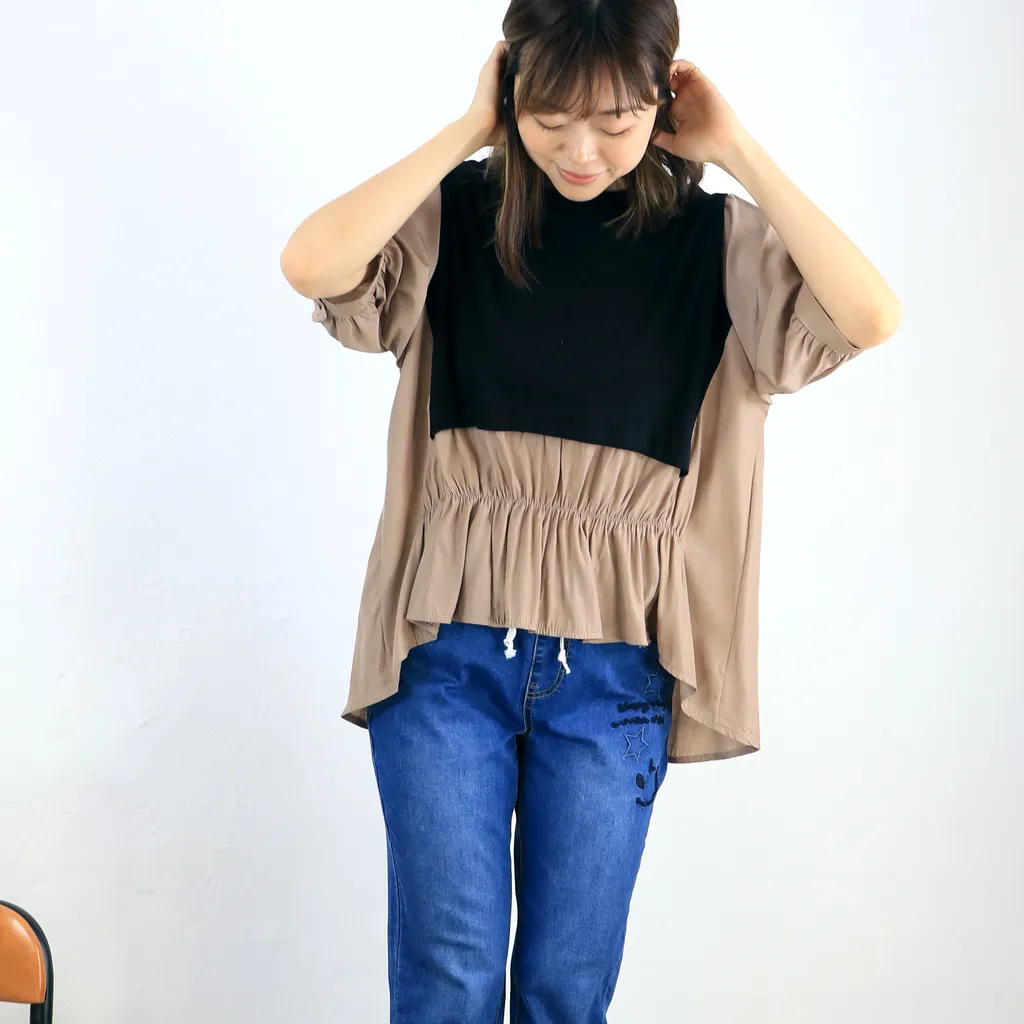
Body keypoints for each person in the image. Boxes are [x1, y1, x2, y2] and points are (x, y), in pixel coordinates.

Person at [280, 1, 902, 1020]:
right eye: (550, 117)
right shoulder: (459, 217)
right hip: (445, 654)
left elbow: (870, 315)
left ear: (662, 101)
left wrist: (737, 149)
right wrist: (465, 132)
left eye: (614, 121)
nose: (580, 151)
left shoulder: (715, 244)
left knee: (565, 992)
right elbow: (312, 264)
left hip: (616, 672)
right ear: (511, 94)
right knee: (447, 978)